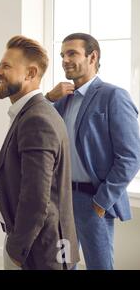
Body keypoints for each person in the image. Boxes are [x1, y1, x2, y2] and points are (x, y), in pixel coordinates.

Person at [45, 33, 140, 270]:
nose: (65, 60)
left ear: (92, 56)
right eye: (63, 55)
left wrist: (102, 201)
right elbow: (38, 128)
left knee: (100, 266)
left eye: (72, 53)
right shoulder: (62, 100)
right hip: (62, 201)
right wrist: (47, 98)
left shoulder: (113, 96)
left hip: (93, 203)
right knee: (62, 264)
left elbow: (130, 157)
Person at [0, 35, 79, 270]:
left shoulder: (37, 118)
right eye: (0, 64)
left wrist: (16, 250)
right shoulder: (30, 113)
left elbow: (36, 198)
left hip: (40, 250)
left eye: (6, 66)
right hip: (35, 244)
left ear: (30, 73)